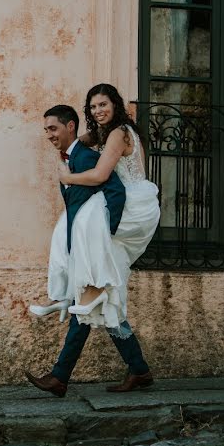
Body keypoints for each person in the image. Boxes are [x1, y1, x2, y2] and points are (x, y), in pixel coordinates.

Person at [24, 104, 136, 398]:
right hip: (83, 246)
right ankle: (138, 368)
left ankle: (60, 376)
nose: (49, 135)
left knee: (91, 306)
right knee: (99, 307)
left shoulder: (85, 156)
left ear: (70, 126)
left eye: (53, 128)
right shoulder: (71, 157)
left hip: (96, 247)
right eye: (46, 130)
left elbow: (116, 191)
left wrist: (104, 235)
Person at [59, 83, 160, 392]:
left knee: (95, 287)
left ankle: (59, 375)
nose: (98, 111)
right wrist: (66, 146)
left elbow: (101, 175)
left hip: (127, 208)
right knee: (104, 291)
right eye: (92, 107)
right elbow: (78, 144)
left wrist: (67, 176)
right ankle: (138, 369)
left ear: (115, 104)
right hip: (123, 206)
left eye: (103, 104)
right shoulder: (107, 132)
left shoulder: (118, 133)